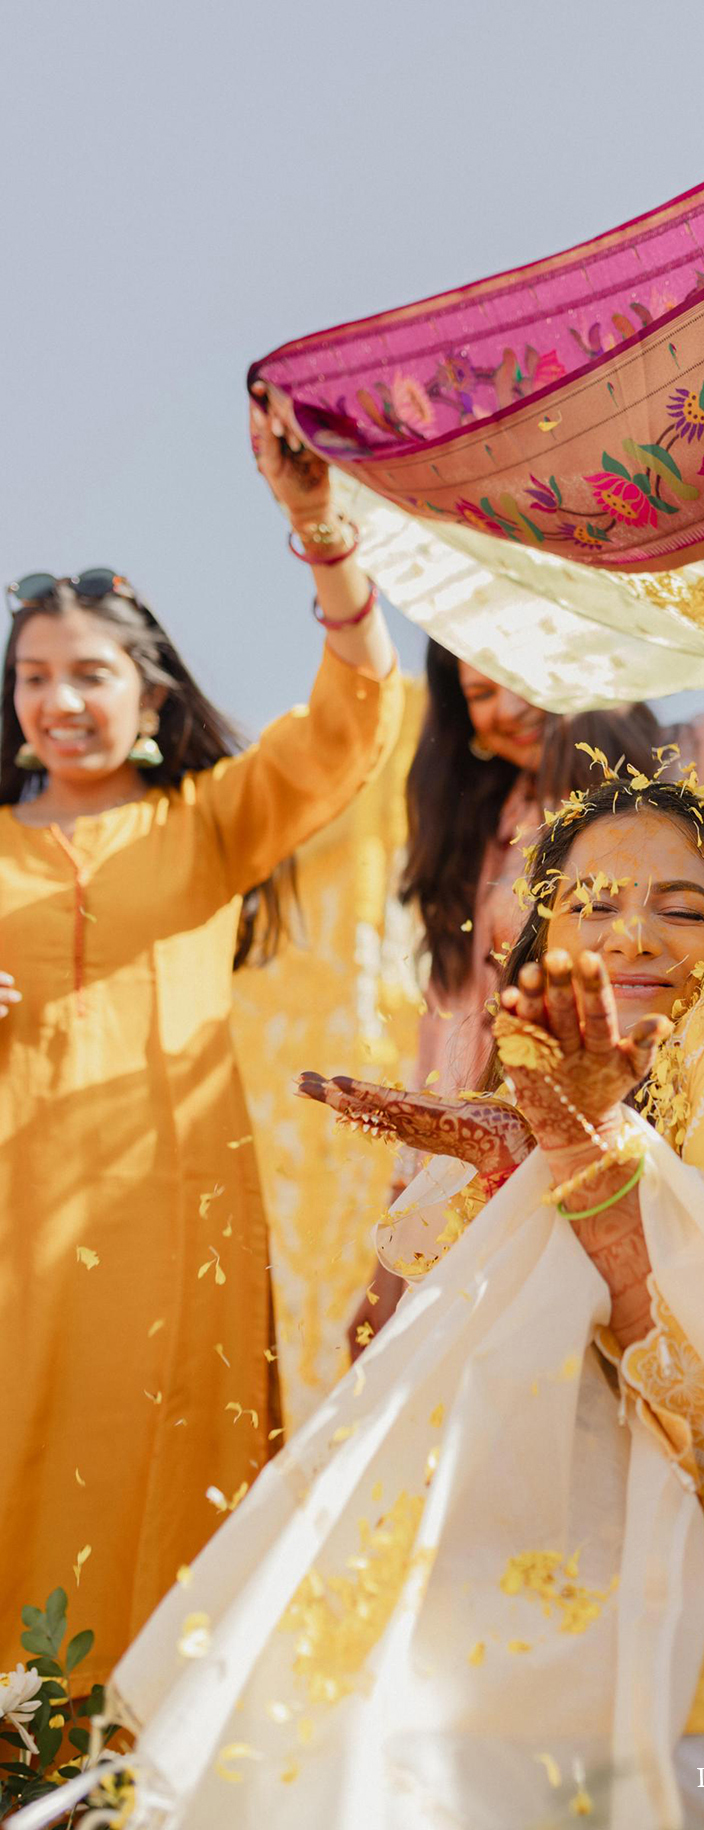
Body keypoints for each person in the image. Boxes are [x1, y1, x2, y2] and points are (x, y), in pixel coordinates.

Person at [82, 775, 704, 1830]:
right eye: (593, 907)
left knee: (429, 1713)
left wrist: (586, 1168)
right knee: (339, 1643)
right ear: (537, 962)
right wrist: (520, 1180)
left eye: (681, 907)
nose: (635, 939)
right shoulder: (555, 1114)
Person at [0, 395, 404, 1692]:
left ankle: (141, 1767)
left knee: (157, 1472)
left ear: (151, 692)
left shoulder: (209, 824)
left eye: (90, 672)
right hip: (11, 1225)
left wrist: (320, 531)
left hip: (170, 1220)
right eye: (36, 675)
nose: (61, 700)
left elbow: (353, 721)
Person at [348, 635, 704, 1351]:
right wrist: (415, 1200)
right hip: (525, 1146)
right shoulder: (485, 830)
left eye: (517, 673)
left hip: (692, 1129)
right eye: (480, 696)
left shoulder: (693, 754)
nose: (510, 709)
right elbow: (458, 1024)